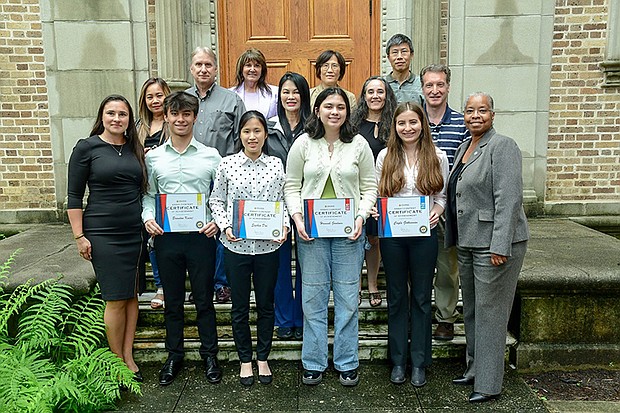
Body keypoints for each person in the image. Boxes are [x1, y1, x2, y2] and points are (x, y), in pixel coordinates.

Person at [284, 87, 377, 387]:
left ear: (348, 112)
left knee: (349, 299)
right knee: (312, 298)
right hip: (311, 234)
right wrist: (297, 218)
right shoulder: (303, 144)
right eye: (328, 106)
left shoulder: (359, 144)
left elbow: (370, 188)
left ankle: (347, 361)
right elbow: (291, 186)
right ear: (318, 110)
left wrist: (362, 216)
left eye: (340, 107)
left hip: (349, 235)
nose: (334, 112)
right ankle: (313, 361)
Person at [445, 92, 529, 403]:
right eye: (469, 111)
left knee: (491, 313)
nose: (475, 116)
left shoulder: (502, 146)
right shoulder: (465, 147)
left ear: (492, 114)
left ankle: (489, 384)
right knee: (472, 310)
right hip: (468, 242)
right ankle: (474, 369)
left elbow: (508, 200)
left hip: (494, 244)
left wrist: (500, 245)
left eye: (482, 110)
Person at [142, 91, 223, 386]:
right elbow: (149, 196)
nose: (181, 119)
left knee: (204, 300)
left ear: (195, 118)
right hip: (167, 239)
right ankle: (174, 355)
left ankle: (209, 354)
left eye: (186, 114)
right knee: (172, 302)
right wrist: (148, 218)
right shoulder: (153, 159)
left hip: (201, 238)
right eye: (175, 114)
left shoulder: (211, 156)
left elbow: (220, 196)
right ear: (166, 117)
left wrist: (217, 221)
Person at [67, 94, 147, 383]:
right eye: (111, 113)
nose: (117, 119)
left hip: (134, 233)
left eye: (122, 114)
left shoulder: (134, 148)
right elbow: (74, 196)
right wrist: (79, 236)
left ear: (129, 120)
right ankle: (117, 362)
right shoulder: (87, 148)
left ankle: (128, 354)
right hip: (103, 233)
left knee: (132, 295)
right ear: (102, 116)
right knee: (115, 297)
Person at [209, 111, 289, 386]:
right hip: (236, 247)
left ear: (265, 134)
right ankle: (245, 359)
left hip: (268, 247)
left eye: (257, 131)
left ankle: (263, 357)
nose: (252, 136)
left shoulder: (276, 165)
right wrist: (224, 225)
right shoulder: (227, 165)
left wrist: (285, 225)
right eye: (246, 131)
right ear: (239, 135)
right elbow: (216, 200)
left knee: (266, 305)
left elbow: (285, 200)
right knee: (239, 306)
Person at [376, 102, 449, 387]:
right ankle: (397, 360)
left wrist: (438, 211)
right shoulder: (384, 156)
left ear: (422, 124)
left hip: (423, 236)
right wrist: (377, 209)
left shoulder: (437, 155)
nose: (408, 128)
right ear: (394, 127)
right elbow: (379, 193)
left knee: (420, 297)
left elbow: (442, 196)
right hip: (393, 236)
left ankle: (418, 361)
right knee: (396, 297)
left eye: (413, 122)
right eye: (402, 123)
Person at [186, 46, 246, 304]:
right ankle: (199, 282)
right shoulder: (182, 100)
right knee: (195, 232)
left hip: (224, 175)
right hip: (191, 176)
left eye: (208, 64)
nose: (203, 69)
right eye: (198, 64)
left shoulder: (231, 100)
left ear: (216, 69)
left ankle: (222, 284)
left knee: (222, 229)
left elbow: (242, 136)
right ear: (191, 68)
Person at [419, 64, 470, 341]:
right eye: (429, 85)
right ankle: (419, 312)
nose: (434, 90)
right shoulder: (413, 119)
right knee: (415, 265)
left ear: (448, 87)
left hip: (449, 208)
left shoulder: (462, 124)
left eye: (440, 84)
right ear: (422, 88)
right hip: (413, 209)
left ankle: (446, 317)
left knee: (448, 265)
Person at [266, 72, 311, 340]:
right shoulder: (269, 126)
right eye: (285, 92)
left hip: (308, 206)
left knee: (308, 266)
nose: (290, 97)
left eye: (295, 92)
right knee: (280, 266)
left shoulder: (315, 128)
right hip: (274, 207)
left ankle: (302, 316)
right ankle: (284, 319)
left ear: (303, 95)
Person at [351, 76, 397, 307]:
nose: (375, 96)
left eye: (380, 91)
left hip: (388, 191)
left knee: (375, 239)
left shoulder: (396, 123)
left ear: (387, 95)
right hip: (358, 191)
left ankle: (372, 284)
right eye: (370, 91)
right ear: (364, 96)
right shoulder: (354, 124)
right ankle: (355, 285)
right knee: (357, 237)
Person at [137, 77, 172, 309]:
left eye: (159, 95)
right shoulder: (138, 127)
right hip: (143, 188)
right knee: (151, 240)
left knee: (163, 238)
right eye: (150, 96)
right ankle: (160, 286)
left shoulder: (174, 124)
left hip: (167, 190)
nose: (155, 101)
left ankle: (167, 286)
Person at [229, 48, 278, 119]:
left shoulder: (275, 93)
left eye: (257, 65)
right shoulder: (231, 95)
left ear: (262, 70)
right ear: (241, 69)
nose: (252, 69)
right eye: (248, 65)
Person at [384, 34, 423, 104]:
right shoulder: (382, 84)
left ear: (411, 55)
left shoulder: (421, 84)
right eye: (395, 52)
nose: (399, 57)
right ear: (388, 57)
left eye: (404, 51)